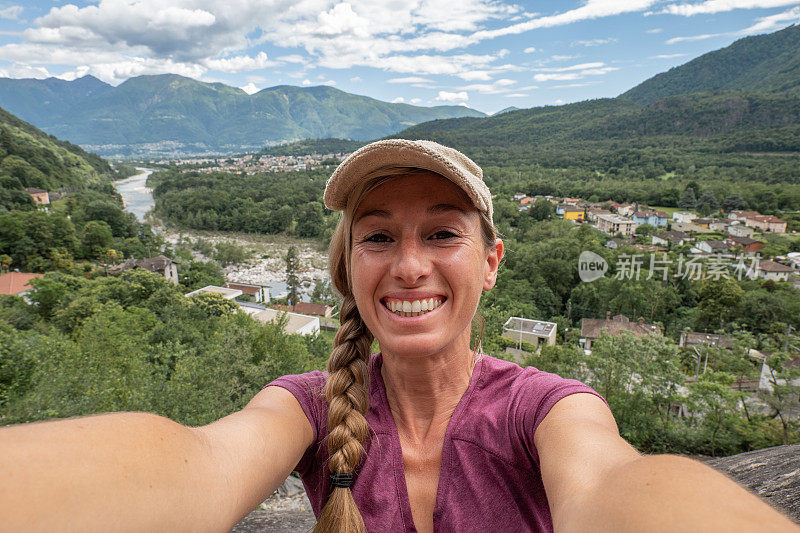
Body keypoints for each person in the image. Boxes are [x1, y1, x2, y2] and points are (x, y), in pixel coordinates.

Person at [0, 139, 796, 533]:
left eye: (441, 233)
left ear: (491, 263)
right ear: (349, 267)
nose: (409, 265)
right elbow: (196, 461)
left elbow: (614, 488)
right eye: (378, 237)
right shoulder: (307, 407)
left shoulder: (544, 409)